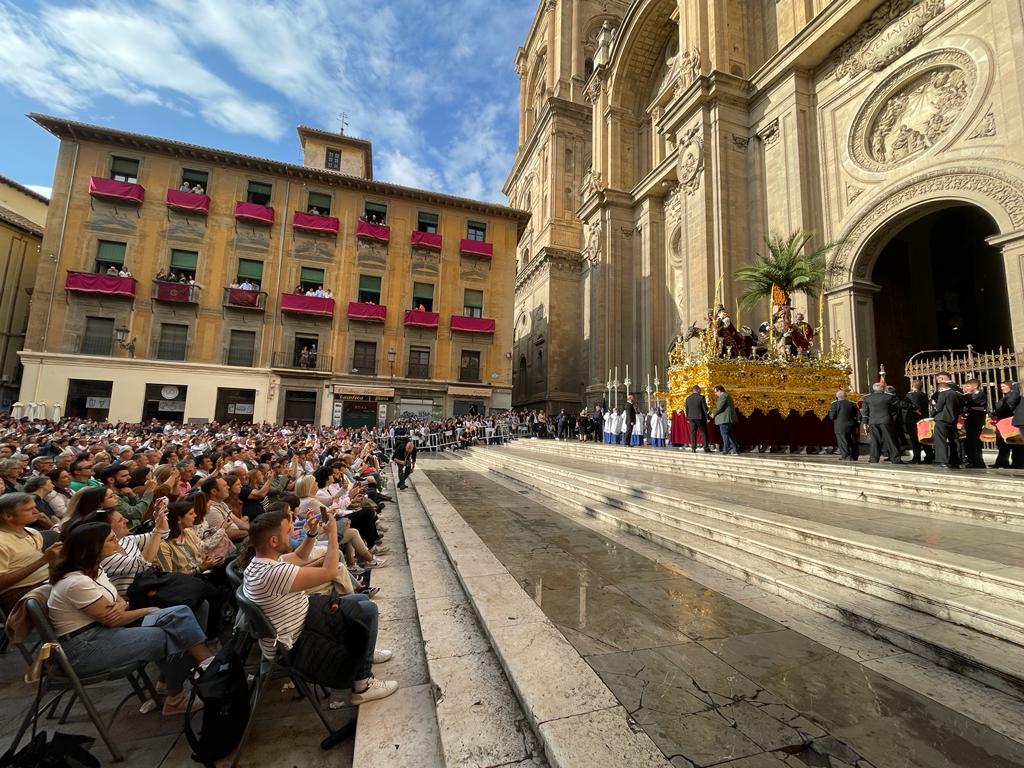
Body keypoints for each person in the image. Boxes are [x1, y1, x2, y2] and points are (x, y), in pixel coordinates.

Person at [47, 521, 213, 716]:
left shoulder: (95, 570)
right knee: (170, 633)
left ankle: (193, 672)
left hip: (102, 632)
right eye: (111, 540)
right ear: (94, 548)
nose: (118, 542)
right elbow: (113, 619)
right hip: (84, 647)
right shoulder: (76, 581)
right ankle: (186, 688)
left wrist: (122, 606)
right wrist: (148, 610)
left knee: (181, 614)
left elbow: (120, 603)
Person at [242, 509, 397, 703]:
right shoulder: (275, 573)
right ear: (273, 541)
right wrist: (333, 533)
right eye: (288, 531)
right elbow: (330, 571)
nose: (292, 533)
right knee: (369, 610)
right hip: (299, 640)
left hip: (298, 622)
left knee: (361, 601)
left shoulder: (258, 564)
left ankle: (365, 651)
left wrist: (312, 533)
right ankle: (362, 684)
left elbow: (299, 557)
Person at [0, 493, 61, 612]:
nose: (36, 511)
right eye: (29, 509)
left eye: (34, 507)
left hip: (47, 582)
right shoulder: (2, 542)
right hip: (20, 593)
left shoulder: (32, 532)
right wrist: (44, 559)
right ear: (8, 516)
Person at [860, 383, 903, 464]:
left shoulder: (867, 398)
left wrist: (865, 422)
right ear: (882, 389)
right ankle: (895, 459)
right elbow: (900, 404)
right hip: (885, 421)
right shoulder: (888, 397)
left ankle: (873, 459)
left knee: (874, 441)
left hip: (873, 422)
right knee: (890, 440)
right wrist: (913, 407)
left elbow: (865, 412)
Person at [932, 374, 965, 469]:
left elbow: (939, 407)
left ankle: (942, 460)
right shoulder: (956, 393)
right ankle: (955, 460)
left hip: (942, 418)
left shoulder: (943, 393)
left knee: (940, 440)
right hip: (952, 419)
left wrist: (934, 409)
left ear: (941, 389)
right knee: (953, 440)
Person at [991, 381, 1024, 468]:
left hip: (1009, 422)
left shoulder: (1013, 395)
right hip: (1003, 422)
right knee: (1003, 444)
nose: (1001, 388)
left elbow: (1009, 405)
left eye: (1003, 386)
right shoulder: (1007, 396)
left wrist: (995, 412)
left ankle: (1017, 463)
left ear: (1010, 387)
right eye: (1001, 386)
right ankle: (1002, 462)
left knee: (1015, 443)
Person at [827, 390, 861, 461]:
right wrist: (857, 423)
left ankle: (846, 456)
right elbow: (858, 415)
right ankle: (854, 456)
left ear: (837, 397)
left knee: (842, 441)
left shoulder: (835, 404)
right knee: (852, 441)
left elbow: (832, 416)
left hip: (840, 426)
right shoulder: (852, 403)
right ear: (846, 396)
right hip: (851, 425)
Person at [961, 379, 987, 469]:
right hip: (970, 419)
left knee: (974, 441)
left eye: (968, 386)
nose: (966, 388)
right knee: (970, 441)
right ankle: (973, 460)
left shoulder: (979, 394)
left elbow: (972, 403)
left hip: (976, 420)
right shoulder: (970, 395)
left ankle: (977, 461)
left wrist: (964, 397)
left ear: (975, 386)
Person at [905, 381, 932, 464]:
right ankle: (929, 456)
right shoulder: (924, 395)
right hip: (923, 419)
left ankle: (916, 458)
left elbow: (915, 408)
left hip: (914, 420)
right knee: (924, 438)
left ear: (912, 385)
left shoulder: (911, 395)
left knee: (915, 440)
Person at [713, 385, 739, 455]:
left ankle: (726, 449)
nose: (716, 394)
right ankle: (735, 449)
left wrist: (713, 413)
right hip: (727, 418)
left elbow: (719, 407)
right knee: (730, 434)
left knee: (724, 434)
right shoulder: (726, 395)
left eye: (716, 392)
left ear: (719, 391)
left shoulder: (723, 396)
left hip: (725, 419)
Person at [684, 386, 711, 453]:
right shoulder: (701, 397)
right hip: (700, 417)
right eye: (700, 390)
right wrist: (707, 418)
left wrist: (687, 418)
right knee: (703, 432)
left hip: (691, 418)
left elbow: (686, 409)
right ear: (698, 390)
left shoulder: (688, 398)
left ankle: (693, 448)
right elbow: (705, 409)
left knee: (693, 433)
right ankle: (705, 448)